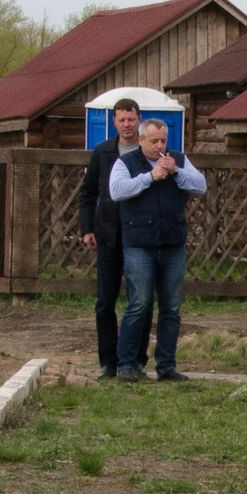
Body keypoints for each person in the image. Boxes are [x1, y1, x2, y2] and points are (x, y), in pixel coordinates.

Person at [108, 117, 205, 381]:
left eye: (163, 140)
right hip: (139, 244)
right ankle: (127, 364)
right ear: (140, 140)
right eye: (154, 141)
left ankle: (167, 366)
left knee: (171, 308)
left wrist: (176, 172)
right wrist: (150, 177)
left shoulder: (179, 160)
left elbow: (201, 185)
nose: (160, 145)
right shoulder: (126, 163)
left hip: (172, 244)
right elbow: (116, 191)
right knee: (138, 304)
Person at [76, 97, 142, 379]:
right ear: (114, 122)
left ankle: (137, 359)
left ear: (139, 119)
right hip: (108, 235)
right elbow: (88, 193)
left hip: (140, 236)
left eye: (131, 119)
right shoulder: (103, 152)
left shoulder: (149, 149)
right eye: (121, 120)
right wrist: (87, 229)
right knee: (105, 301)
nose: (126, 125)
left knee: (140, 300)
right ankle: (108, 361)